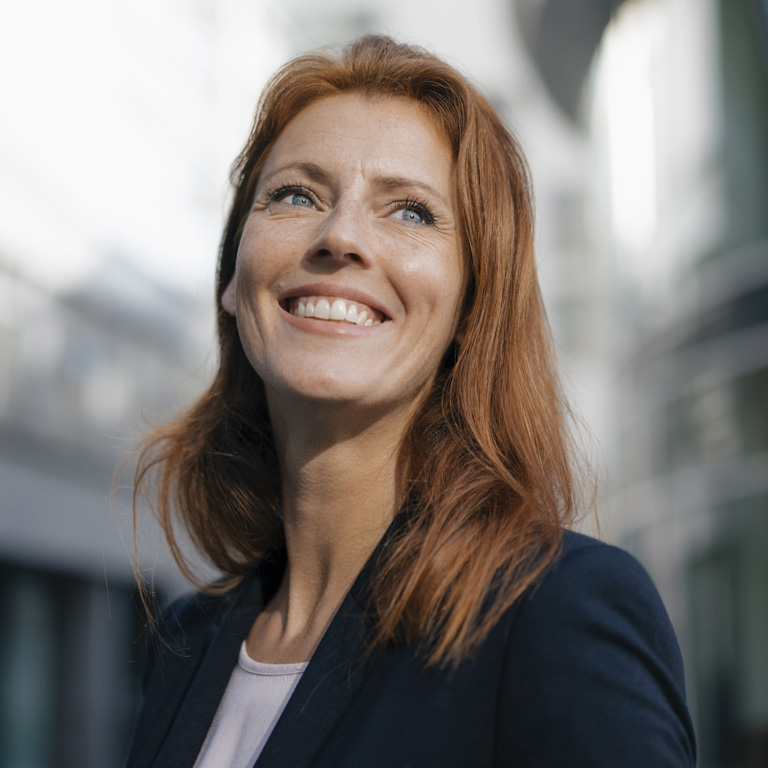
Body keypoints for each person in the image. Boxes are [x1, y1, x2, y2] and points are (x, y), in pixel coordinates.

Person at [125, 34, 697, 768]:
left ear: (469, 309)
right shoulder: (186, 640)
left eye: (412, 213)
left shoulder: (554, 613)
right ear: (234, 279)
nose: (339, 237)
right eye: (296, 195)